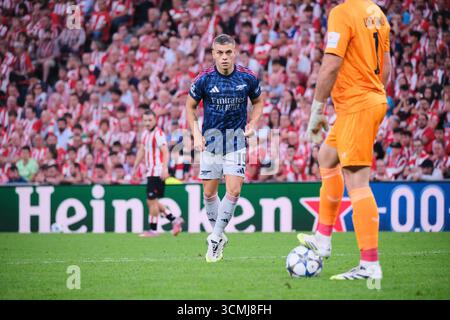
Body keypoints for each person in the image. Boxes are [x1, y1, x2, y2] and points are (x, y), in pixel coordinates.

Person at [297, 0, 391, 280]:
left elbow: (330, 65)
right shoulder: (376, 13)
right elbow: (386, 66)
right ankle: (323, 239)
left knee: (357, 181)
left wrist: (317, 109)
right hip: (365, 101)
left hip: (357, 104)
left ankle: (369, 265)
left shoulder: (342, 13)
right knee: (326, 157)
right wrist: (374, 95)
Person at [185, 34, 263, 263]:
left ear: (235, 52)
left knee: (234, 190)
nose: (224, 57)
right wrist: (196, 134)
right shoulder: (204, 79)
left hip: (236, 140)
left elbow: (258, 102)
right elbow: (190, 107)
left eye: (228, 52)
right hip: (210, 140)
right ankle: (218, 234)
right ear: (213, 54)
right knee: (209, 193)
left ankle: (216, 237)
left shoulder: (247, 77)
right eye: (219, 53)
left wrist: (253, 123)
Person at [132, 110, 184, 237]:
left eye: (150, 120)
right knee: (152, 201)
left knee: (152, 200)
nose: (147, 123)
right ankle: (174, 219)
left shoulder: (158, 133)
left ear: (155, 120)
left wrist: (165, 169)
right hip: (151, 171)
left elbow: (165, 151)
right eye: (145, 120)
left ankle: (153, 230)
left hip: (157, 171)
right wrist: (135, 167)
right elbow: (141, 150)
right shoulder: (145, 134)